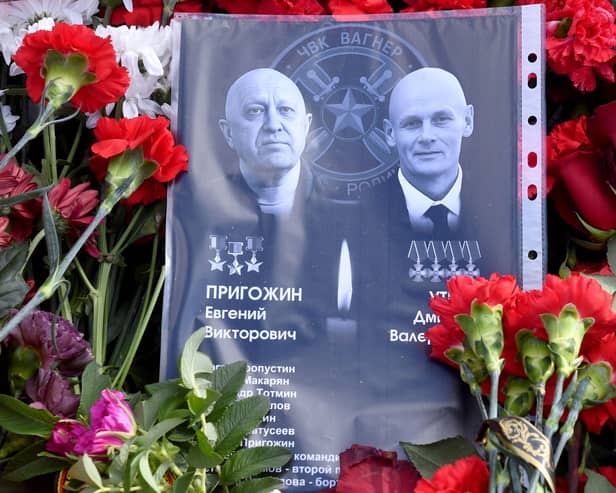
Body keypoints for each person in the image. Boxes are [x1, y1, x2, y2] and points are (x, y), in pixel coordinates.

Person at [383, 67, 474, 235]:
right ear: (390, 133)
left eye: (441, 119)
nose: (426, 136)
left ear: (467, 121)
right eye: (411, 123)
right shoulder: (354, 217)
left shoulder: (504, 206)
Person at [217, 67, 313, 216]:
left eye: (286, 110)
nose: (273, 125)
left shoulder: (349, 206)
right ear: (229, 133)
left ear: (305, 127)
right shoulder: (195, 205)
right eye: (255, 111)